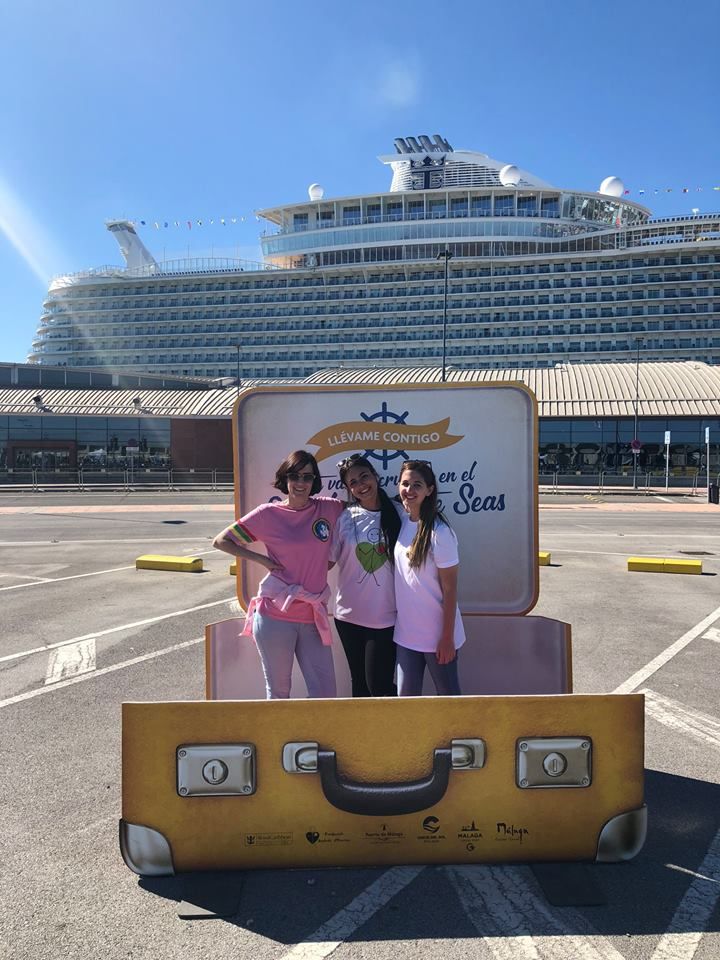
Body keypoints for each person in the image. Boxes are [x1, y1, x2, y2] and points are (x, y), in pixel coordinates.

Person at [213, 450, 343, 699]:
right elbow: (221, 541)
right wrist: (262, 560)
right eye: (295, 476)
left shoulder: (328, 509)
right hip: (275, 617)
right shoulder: (267, 515)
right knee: (279, 693)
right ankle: (284, 740)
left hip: (312, 616)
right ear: (285, 479)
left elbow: (363, 512)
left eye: (307, 477)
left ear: (315, 480)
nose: (301, 483)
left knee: (325, 693)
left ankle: (315, 737)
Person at [331, 454, 402, 697]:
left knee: (379, 686)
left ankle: (398, 731)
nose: (361, 485)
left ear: (375, 476)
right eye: (353, 482)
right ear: (348, 489)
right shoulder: (345, 518)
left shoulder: (400, 513)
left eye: (364, 476)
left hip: (385, 617)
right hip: (348, 615)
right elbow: (328, 561)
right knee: (359, 685)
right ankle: (362, 735)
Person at [393, 460, 465, 696]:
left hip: (437, 638)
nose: (409, 490)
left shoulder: (440, 532)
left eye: (417, 485)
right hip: (407, 636)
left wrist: (447, 638)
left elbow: (451, 589)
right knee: (406, 705)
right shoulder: (403, 522)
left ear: (429, 490)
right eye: (405, 484)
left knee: (449, 701)